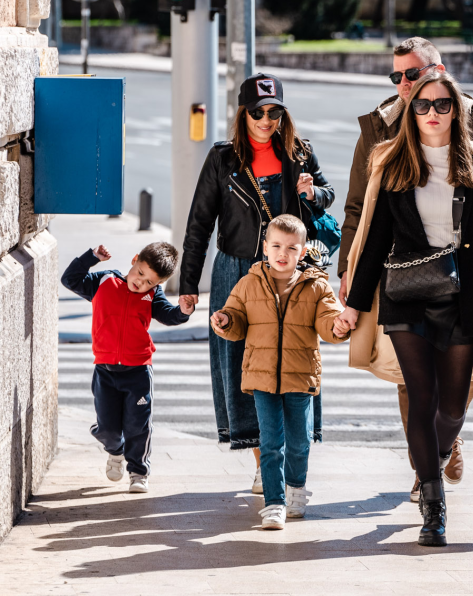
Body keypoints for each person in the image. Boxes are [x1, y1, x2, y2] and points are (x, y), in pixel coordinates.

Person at [337, 36, 473, 500]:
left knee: (464, 374)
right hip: (404, 275)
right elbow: (359, 208)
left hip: (469, 273)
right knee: (411, 380)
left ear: (439, 71)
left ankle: (445, 438)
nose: (404, 84)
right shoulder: (379, 128)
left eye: (413, 74)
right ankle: (425, 474)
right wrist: (349, 267)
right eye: (397, 76)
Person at [180, 73, 334, 494]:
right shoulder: (223, 158)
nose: (266, 120)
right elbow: (199, 225)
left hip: (289, 272)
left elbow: (327, 195)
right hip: (237, 271)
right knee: (243, 366)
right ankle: (264, 461)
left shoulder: (300, 153)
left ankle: (289, 457)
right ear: (243, 114)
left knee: (294, 359)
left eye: (274, 113)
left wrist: (313, 194)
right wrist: (189, 283)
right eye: (258, 113)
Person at [210, 215, 348, 530]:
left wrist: (338, 327)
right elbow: (236, 317)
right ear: (265, 248)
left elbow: (328, 321)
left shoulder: (316, 286)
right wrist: (226, 321)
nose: (282, 253)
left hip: (300, 376)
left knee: (299, 442)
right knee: (271, 443)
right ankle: (274, 503)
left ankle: (296, 488)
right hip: (261, 377)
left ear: (303, 252)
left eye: (291, 248)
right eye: (276, 246)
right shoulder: (249, 283)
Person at [60, 241, 194, 493]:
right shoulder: (104, 282)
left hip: (138, 372)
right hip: (105, 370)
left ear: (157, 284)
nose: (141, 283)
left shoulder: (152, 295)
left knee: (137, 426)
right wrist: (91, 257)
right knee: (108, 428)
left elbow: (168, 314)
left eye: (149, 282)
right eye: (140, 273)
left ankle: (138, 472)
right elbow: (70, 279)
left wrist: (183, 311)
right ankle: (115, 451)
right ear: (134, 260)